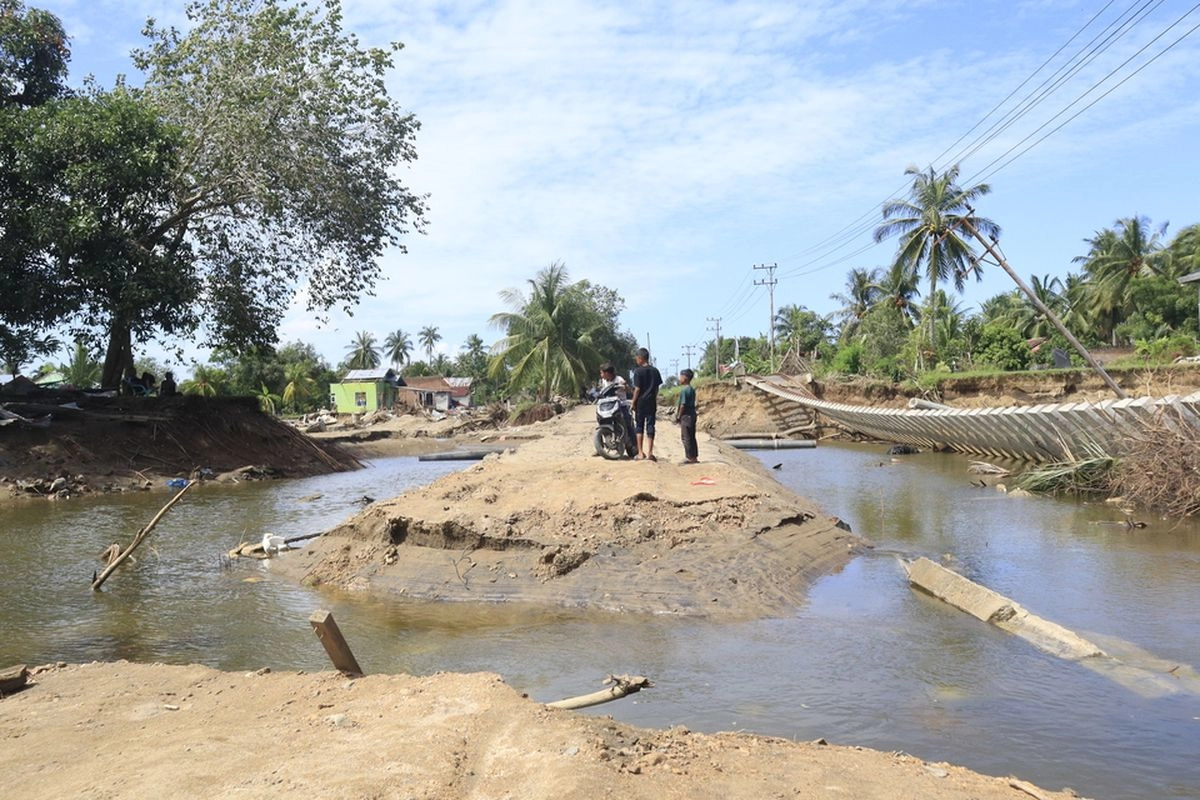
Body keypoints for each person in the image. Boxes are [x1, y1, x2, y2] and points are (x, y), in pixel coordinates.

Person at [628, 347, 663, 461]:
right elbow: (657, 388)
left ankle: (640, 453)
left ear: (640, 358)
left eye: (636, 358)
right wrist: (653, 396)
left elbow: (637, 389)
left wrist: (633, 402)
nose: (636, 360)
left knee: (639, 426)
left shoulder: (638, 372)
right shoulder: (655, 371)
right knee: (650, 426)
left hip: (641, 402)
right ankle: (650, 453)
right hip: (651, 402)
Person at [674, 368, 699, 463]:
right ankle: (694, 457)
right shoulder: (691, 389)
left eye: (681, 376)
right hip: (692, 414)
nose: (679, 378)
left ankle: (689, 457)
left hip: (686, 416)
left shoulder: (685, 390)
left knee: (686, 437)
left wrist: (679, 416)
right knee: (692, 436)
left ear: (686, 378)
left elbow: (682, 405)